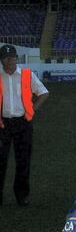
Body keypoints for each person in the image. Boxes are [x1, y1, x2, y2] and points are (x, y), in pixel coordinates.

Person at [0, 44, 48, 206]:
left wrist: (33, 109)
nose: (9, 60)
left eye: (12, 57)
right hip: (2, 123)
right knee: (1, 160)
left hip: (23, 123)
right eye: (6, 57)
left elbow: (43, 93)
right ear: (1, 60)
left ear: (16, 58)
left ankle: (22, 196)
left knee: (23, 160)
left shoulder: (26, 75)